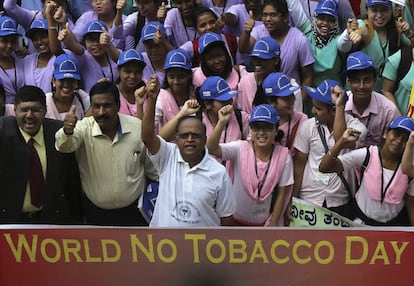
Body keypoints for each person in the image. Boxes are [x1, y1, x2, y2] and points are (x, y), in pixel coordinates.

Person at [55, 81, 158, 226]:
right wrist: (67, 131)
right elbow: (63, 146)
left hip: (135, 213)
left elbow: (153, 169)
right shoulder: (83, 128)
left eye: (107, 106)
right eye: (96, 106)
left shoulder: (137, 127)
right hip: (96, 214)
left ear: (118, 105)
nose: (101, 112)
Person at [141, 74, 236, 227]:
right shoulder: (168, 156)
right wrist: (151, 99)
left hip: (204, 249)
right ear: (176, 139)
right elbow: (147, 137)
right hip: (164, 247)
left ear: (205, 140)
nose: (190, 139)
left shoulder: (219, 172)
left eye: (195, 136)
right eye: (185, 136)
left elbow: (226, 219)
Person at [0, 85, 82, 223]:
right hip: (11, 222)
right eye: (24, 110)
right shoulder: (3, 131)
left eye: (36, 110)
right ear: (14, 110)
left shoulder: (60, 132)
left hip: (52, 221)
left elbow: (71, 182)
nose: (30, 116)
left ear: (45, 110)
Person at [207, 104, 293, 226]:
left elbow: (282, 194)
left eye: (267, 128)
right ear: (251, 129)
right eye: (256, 127)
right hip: (233, 221)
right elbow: (211, 148)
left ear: (276, 129)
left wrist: (272, 227)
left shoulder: (284, 156)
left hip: (263, 224)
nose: (261, 133)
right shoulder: (239, 148)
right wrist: (221, 123)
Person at [319, 116, 414, 226]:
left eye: (405, 139)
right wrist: (342, 142)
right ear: (385, 133)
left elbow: (411, 203)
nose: (399, 141)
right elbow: (325, 168)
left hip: (392, 230)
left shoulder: (410, 170)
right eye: (396, 134)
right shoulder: (367, 155)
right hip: (361, 225)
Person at [293, 79, 367, 219]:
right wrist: (293, 201)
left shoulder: (358, 128)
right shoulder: (308, 126)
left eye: (318, 108)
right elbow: (299, 165)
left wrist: (339, 106)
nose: (312, 111)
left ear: (333, 110)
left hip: (340, 199)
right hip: (310, 198)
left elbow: (342, 140)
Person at [337, 0, 412, 92]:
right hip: (357, 92)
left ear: (391, 11)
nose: (379, 15)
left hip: (382, 93)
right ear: (367, 10)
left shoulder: (396, 28)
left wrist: (409, 33)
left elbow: (410, 47)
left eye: (384, 10)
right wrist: (354, 34)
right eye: (374, 10)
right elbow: (357, 34)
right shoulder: (364, 25)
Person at [238, 0, 314, 90]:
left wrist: (298, 101)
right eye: (265, 15)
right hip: (263, 94)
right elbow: (243, 49)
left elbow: (308, 77)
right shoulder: (258, 31)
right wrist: (246, 32)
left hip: (289, 96)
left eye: (273, 15)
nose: (268, 19)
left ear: (285, 17)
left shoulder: (300, 40)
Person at [344, 51, 399, 147]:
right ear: (348, 82)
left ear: (374, 81)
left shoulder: (388, 110)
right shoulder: (339, 105)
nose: (361, 86)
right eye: (356, 81)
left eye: (367, 80)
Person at [262, 72, 308, 153]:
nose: (292, 101)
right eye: (286, 98)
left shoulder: (302, 120)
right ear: (271, 101)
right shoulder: (260, 120)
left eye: (292, 95)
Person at [155, 48, 195, 132]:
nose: (176, 82)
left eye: (181, 77)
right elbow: (157, 136)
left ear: (189, 75)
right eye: (172, 77)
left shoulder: (196, 94)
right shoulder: (161, 98)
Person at [45, 53, 90, 120]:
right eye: (62, 80)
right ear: (53, 81)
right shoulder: (44, 101)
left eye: (71, 80)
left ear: (77, 82)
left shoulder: (83, 99)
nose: (66, 84)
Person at [0, 16, 25, 105]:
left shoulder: (20, 59)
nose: (9, 45)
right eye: (4, 41)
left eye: (13, 41)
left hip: (22, 111)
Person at [116, 49, 147, 117]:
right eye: (127, 71)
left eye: (137, 72)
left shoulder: (148, 90)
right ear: (118, 71)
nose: (132, 76)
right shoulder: (112, 94)